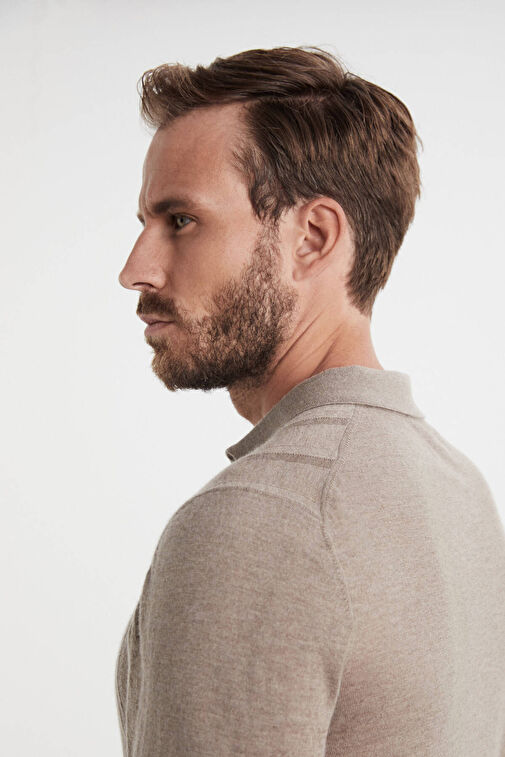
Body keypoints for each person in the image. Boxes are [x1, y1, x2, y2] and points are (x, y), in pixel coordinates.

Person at [116, 46, 505, 756]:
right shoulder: (459, 486)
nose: (135, 269)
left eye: (180, 220)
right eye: (143, 222)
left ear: (312, 238)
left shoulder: (263, 515)